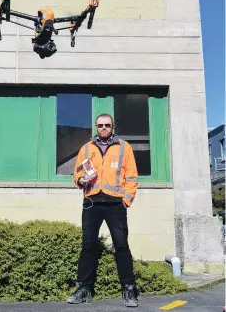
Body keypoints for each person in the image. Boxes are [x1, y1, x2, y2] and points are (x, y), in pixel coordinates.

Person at [67, 113, 139, 307]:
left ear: (113, 126)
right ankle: (84, 288)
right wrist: (80, 181)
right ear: (96, 127)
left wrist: (125, 201)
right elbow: (77, 174)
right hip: (91, 202)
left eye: (107, 125)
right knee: (88, 245)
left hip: (116, 204)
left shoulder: (125, 148)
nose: (104, 128)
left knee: (121, 245)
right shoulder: (86, 148)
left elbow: (132, 177)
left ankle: (129, 289)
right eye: (100, 125)